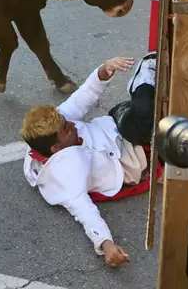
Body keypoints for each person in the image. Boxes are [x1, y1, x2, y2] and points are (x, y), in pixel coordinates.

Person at [19, 52, 158, 268]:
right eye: (67, 129)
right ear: (56, 148)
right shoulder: (62, 176)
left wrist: (103, 71)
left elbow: (81, 99)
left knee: (143, 112)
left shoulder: (55, 129)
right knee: (150, 116)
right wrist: (106, 245)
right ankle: (146, 74)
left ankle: (146, 80)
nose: (73, 125)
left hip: (116, 121)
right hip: (132, 154)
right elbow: (84, 212)